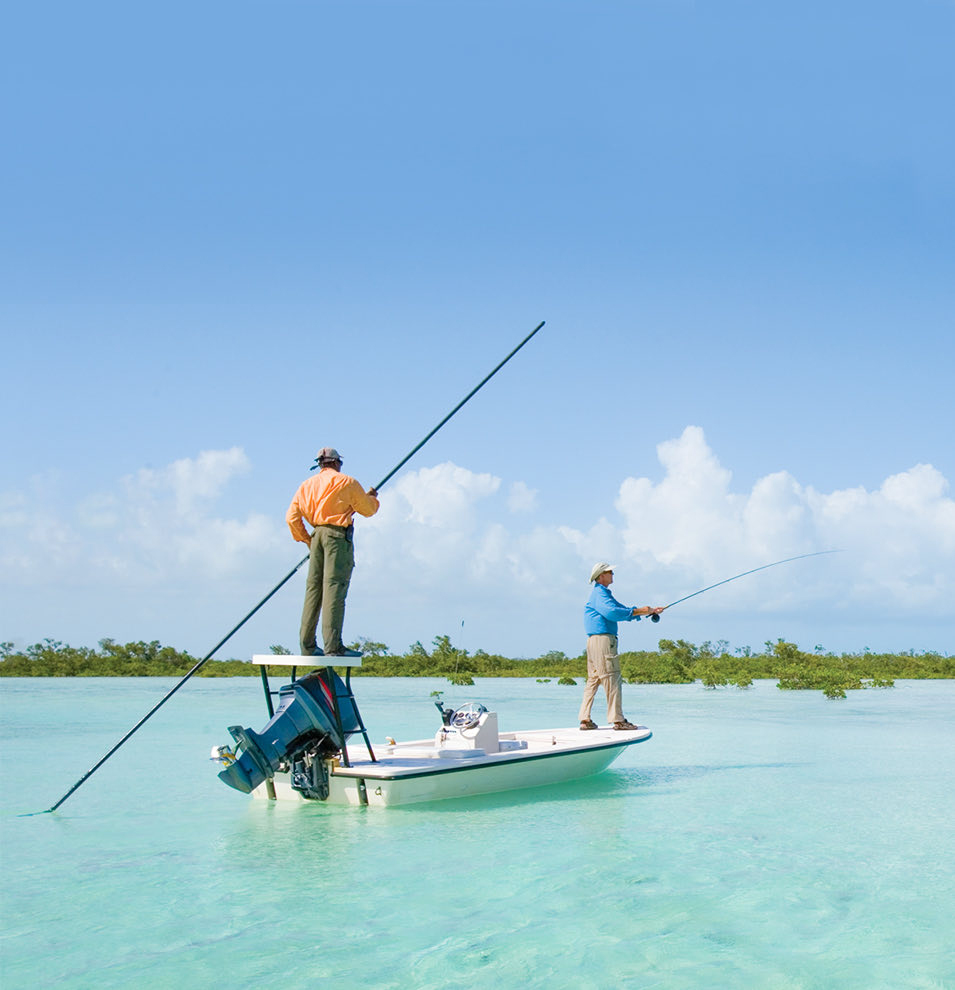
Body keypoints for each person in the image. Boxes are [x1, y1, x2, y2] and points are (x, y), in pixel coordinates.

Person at [286, 447, 380, 657]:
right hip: (337, 537)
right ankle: (333, 647)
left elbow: (291, 518)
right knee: (334, 590)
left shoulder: (306, 485)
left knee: (313, 590)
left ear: (320, 464)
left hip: (316, 535)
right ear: (337, 463)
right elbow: (367, 510)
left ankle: (307, 647)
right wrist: (372, 498)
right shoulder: (347, 482)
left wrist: (308, 540)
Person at [579, 562, 663, 730]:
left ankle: (585, 719)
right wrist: (638, 611)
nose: (613, 575)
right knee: (612, 677)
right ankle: (618, 720)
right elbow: (612, 612)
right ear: (601, 576)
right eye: (610, 572)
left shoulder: (602, 594)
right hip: (603, 641)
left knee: (594, 680)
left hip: (594, 641)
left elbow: (619, 609)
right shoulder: (600, 594)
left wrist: (647, 611)